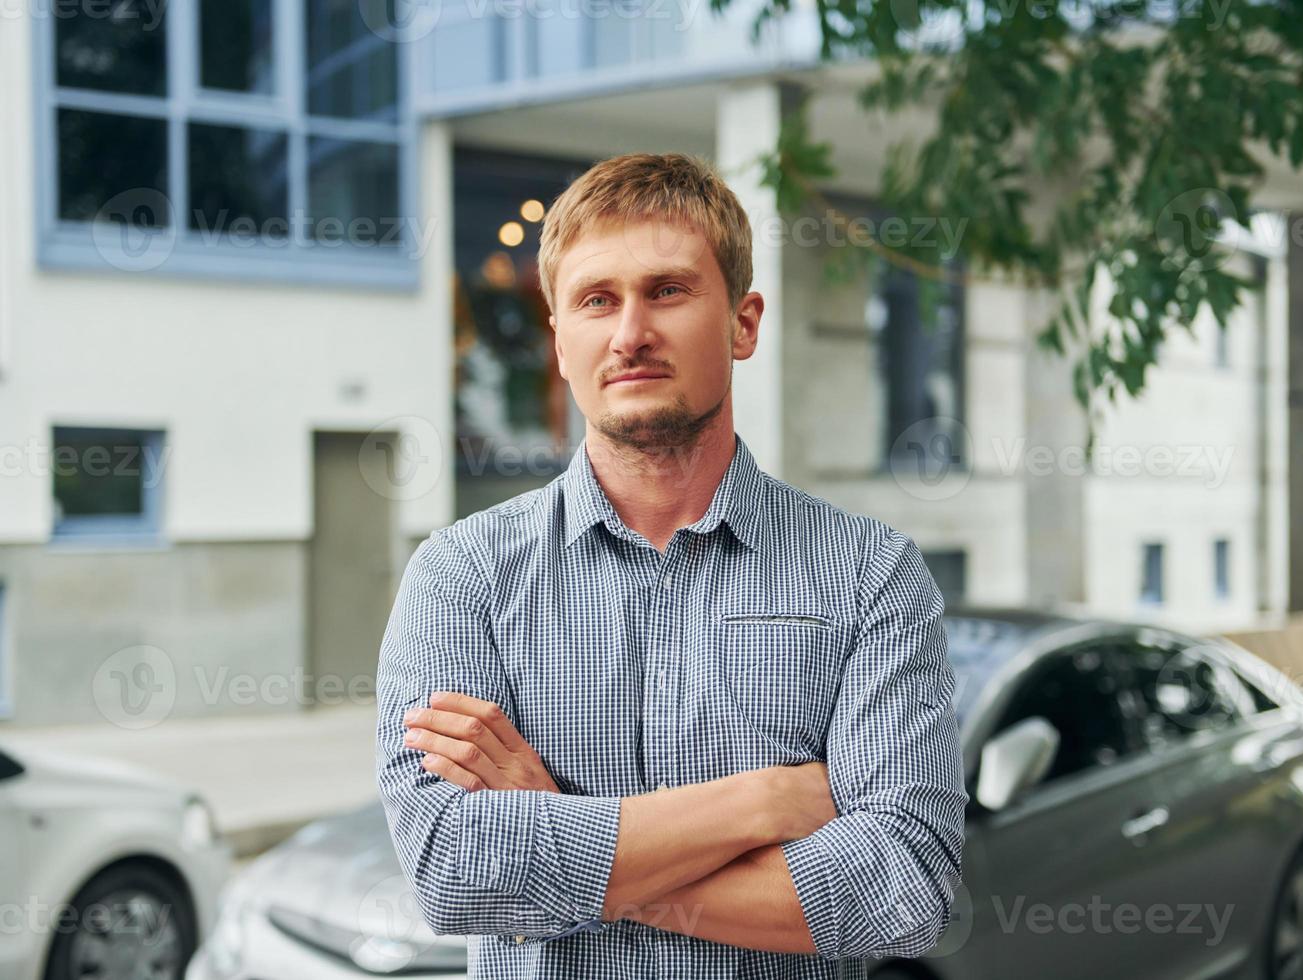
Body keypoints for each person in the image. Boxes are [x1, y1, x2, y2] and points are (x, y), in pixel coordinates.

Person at [375, 151, 967, 980]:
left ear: (744, 323)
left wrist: (555, 827)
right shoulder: (461, 578)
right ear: (560, 339)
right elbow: (453, 871)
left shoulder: (870, 576)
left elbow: (906, 889)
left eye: (668, 291)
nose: (629, 334)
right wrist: (760, 805)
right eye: (595, 300)